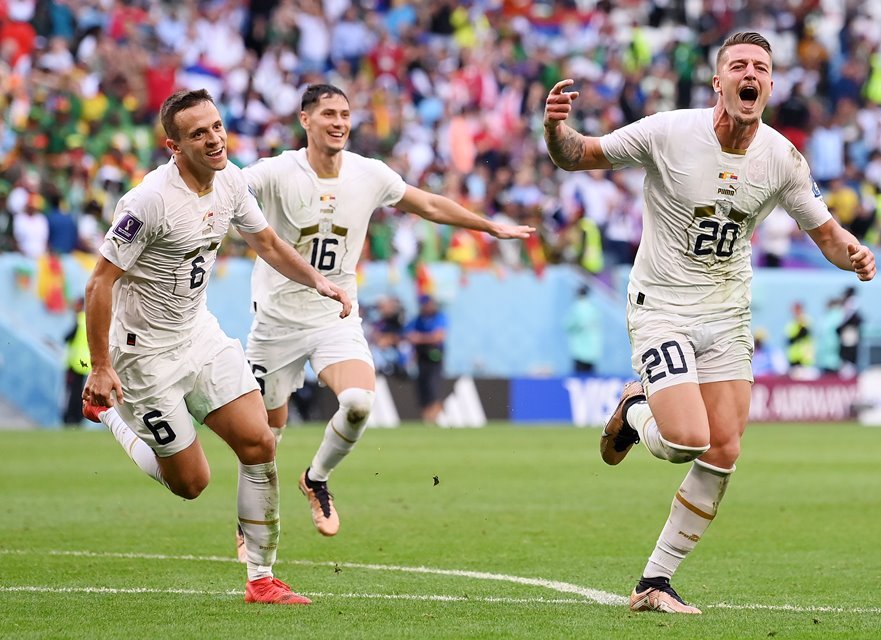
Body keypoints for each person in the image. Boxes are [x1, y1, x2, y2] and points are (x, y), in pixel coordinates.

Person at [543, 31, 876, 614]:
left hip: (727, 313)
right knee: (683, 441)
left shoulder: (781, 158)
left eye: (762, 68)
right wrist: (554, 129)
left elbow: (825, 232)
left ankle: (655, 582)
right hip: (664, 306)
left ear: (770, 86)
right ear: (718, 81)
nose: (751, 74)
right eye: (738, 65)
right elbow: (580, 154)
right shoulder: (669, 132)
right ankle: (635, 407)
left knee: (723, 448)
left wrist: (854, 252)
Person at [81, 89, 352, 605]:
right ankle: (113, 415)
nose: (213, 139)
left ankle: (261, 580)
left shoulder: (230, 180)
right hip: (145, 357)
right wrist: (100, 366)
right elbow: (99, 283)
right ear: (173, 146)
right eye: (198, 133)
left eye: (217, 126)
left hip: (199, 335)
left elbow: (268, 243)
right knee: (191, 483)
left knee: (260, 443)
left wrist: (319, 281)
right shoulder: (149, 202)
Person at [241, 83, 533, 544]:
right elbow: (231, 186)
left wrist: (488, 225)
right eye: (328, 115)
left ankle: (316, 479)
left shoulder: (369, 174)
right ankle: (252, 523)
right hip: (276, 321)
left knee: (358, 403)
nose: (339, 123)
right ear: (305, 120)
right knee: (264, 440)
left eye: (344, 114)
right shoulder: (278, 171)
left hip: (333, 316)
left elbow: (430, 204)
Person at [406, 294, 448, 423]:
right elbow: (408, 334)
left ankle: (435, 414)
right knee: (422, 386)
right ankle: (427, 417)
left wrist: (420, 338)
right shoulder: (418, 319)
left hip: (435, 355)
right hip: (421, 356)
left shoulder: (439, 317)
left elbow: (439, 336)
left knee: (432, 384)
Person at [62, 297, 91, 427]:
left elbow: (68, 337)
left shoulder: (79, 319)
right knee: (80, 391)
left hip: (75, 362)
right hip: (84, 362)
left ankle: (71, 417)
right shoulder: (87, 320)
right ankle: (79, 417)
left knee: (73, 391)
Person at [564, 285, 603, 374]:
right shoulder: (593, 308)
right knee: (591, 379)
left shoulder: (576, 307)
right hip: (593, 351)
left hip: (580, 351)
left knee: (579, 378)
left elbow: (568, 326)